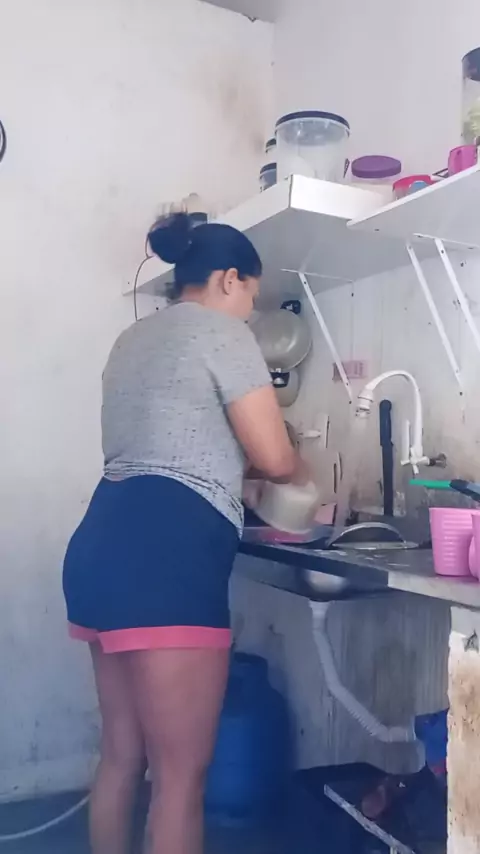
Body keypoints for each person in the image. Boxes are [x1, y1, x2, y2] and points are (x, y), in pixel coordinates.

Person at [62, 212, 308, 854]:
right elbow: (277, 458)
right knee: (180, 779)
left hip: (100, 541)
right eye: (251, 294)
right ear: (229, 280)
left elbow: (169, 443)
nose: (250, 310)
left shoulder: (132, 340)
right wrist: (291, 460)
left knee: (122, 756)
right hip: (165, 556)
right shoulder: (224, 333)